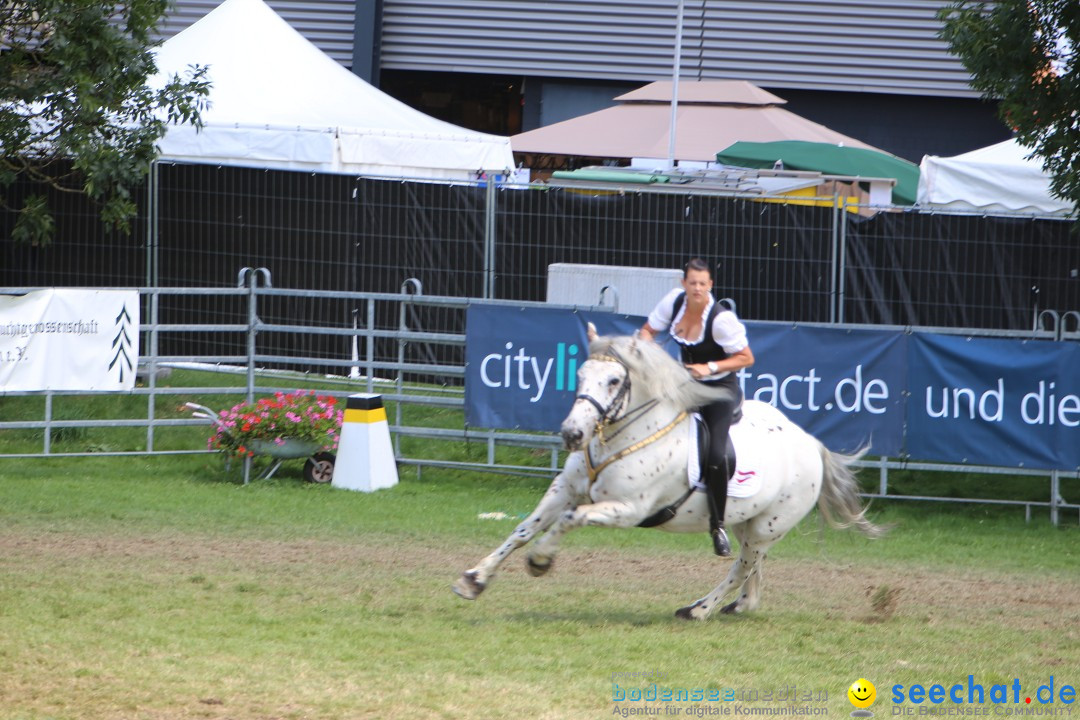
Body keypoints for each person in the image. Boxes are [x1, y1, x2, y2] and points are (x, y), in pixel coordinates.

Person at [639, 258, 754, 556]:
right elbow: (648, 331)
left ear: (710, 285)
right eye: (692, 283)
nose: (697, 288)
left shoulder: (721, 319)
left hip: (719, 389)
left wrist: (709, 366)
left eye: (703, 283)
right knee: (646, 418)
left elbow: (746, 357)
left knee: (716, 454)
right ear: (684, 284)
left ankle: (717, 525)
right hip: (685, 383)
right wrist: (648, 349)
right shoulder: (674, 303)